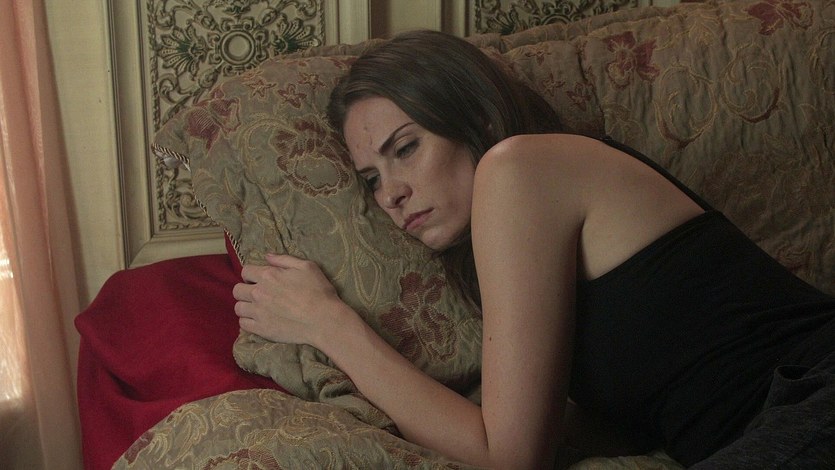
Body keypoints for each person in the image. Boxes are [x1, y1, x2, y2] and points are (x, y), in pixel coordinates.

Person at [232, 30, 835, 469]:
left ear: (475, 120)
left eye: (406, 148)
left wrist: (331, 325)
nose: (390, 194)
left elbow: (508, 458)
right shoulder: (519, 233)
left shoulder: (519, 169)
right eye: (371, 178)